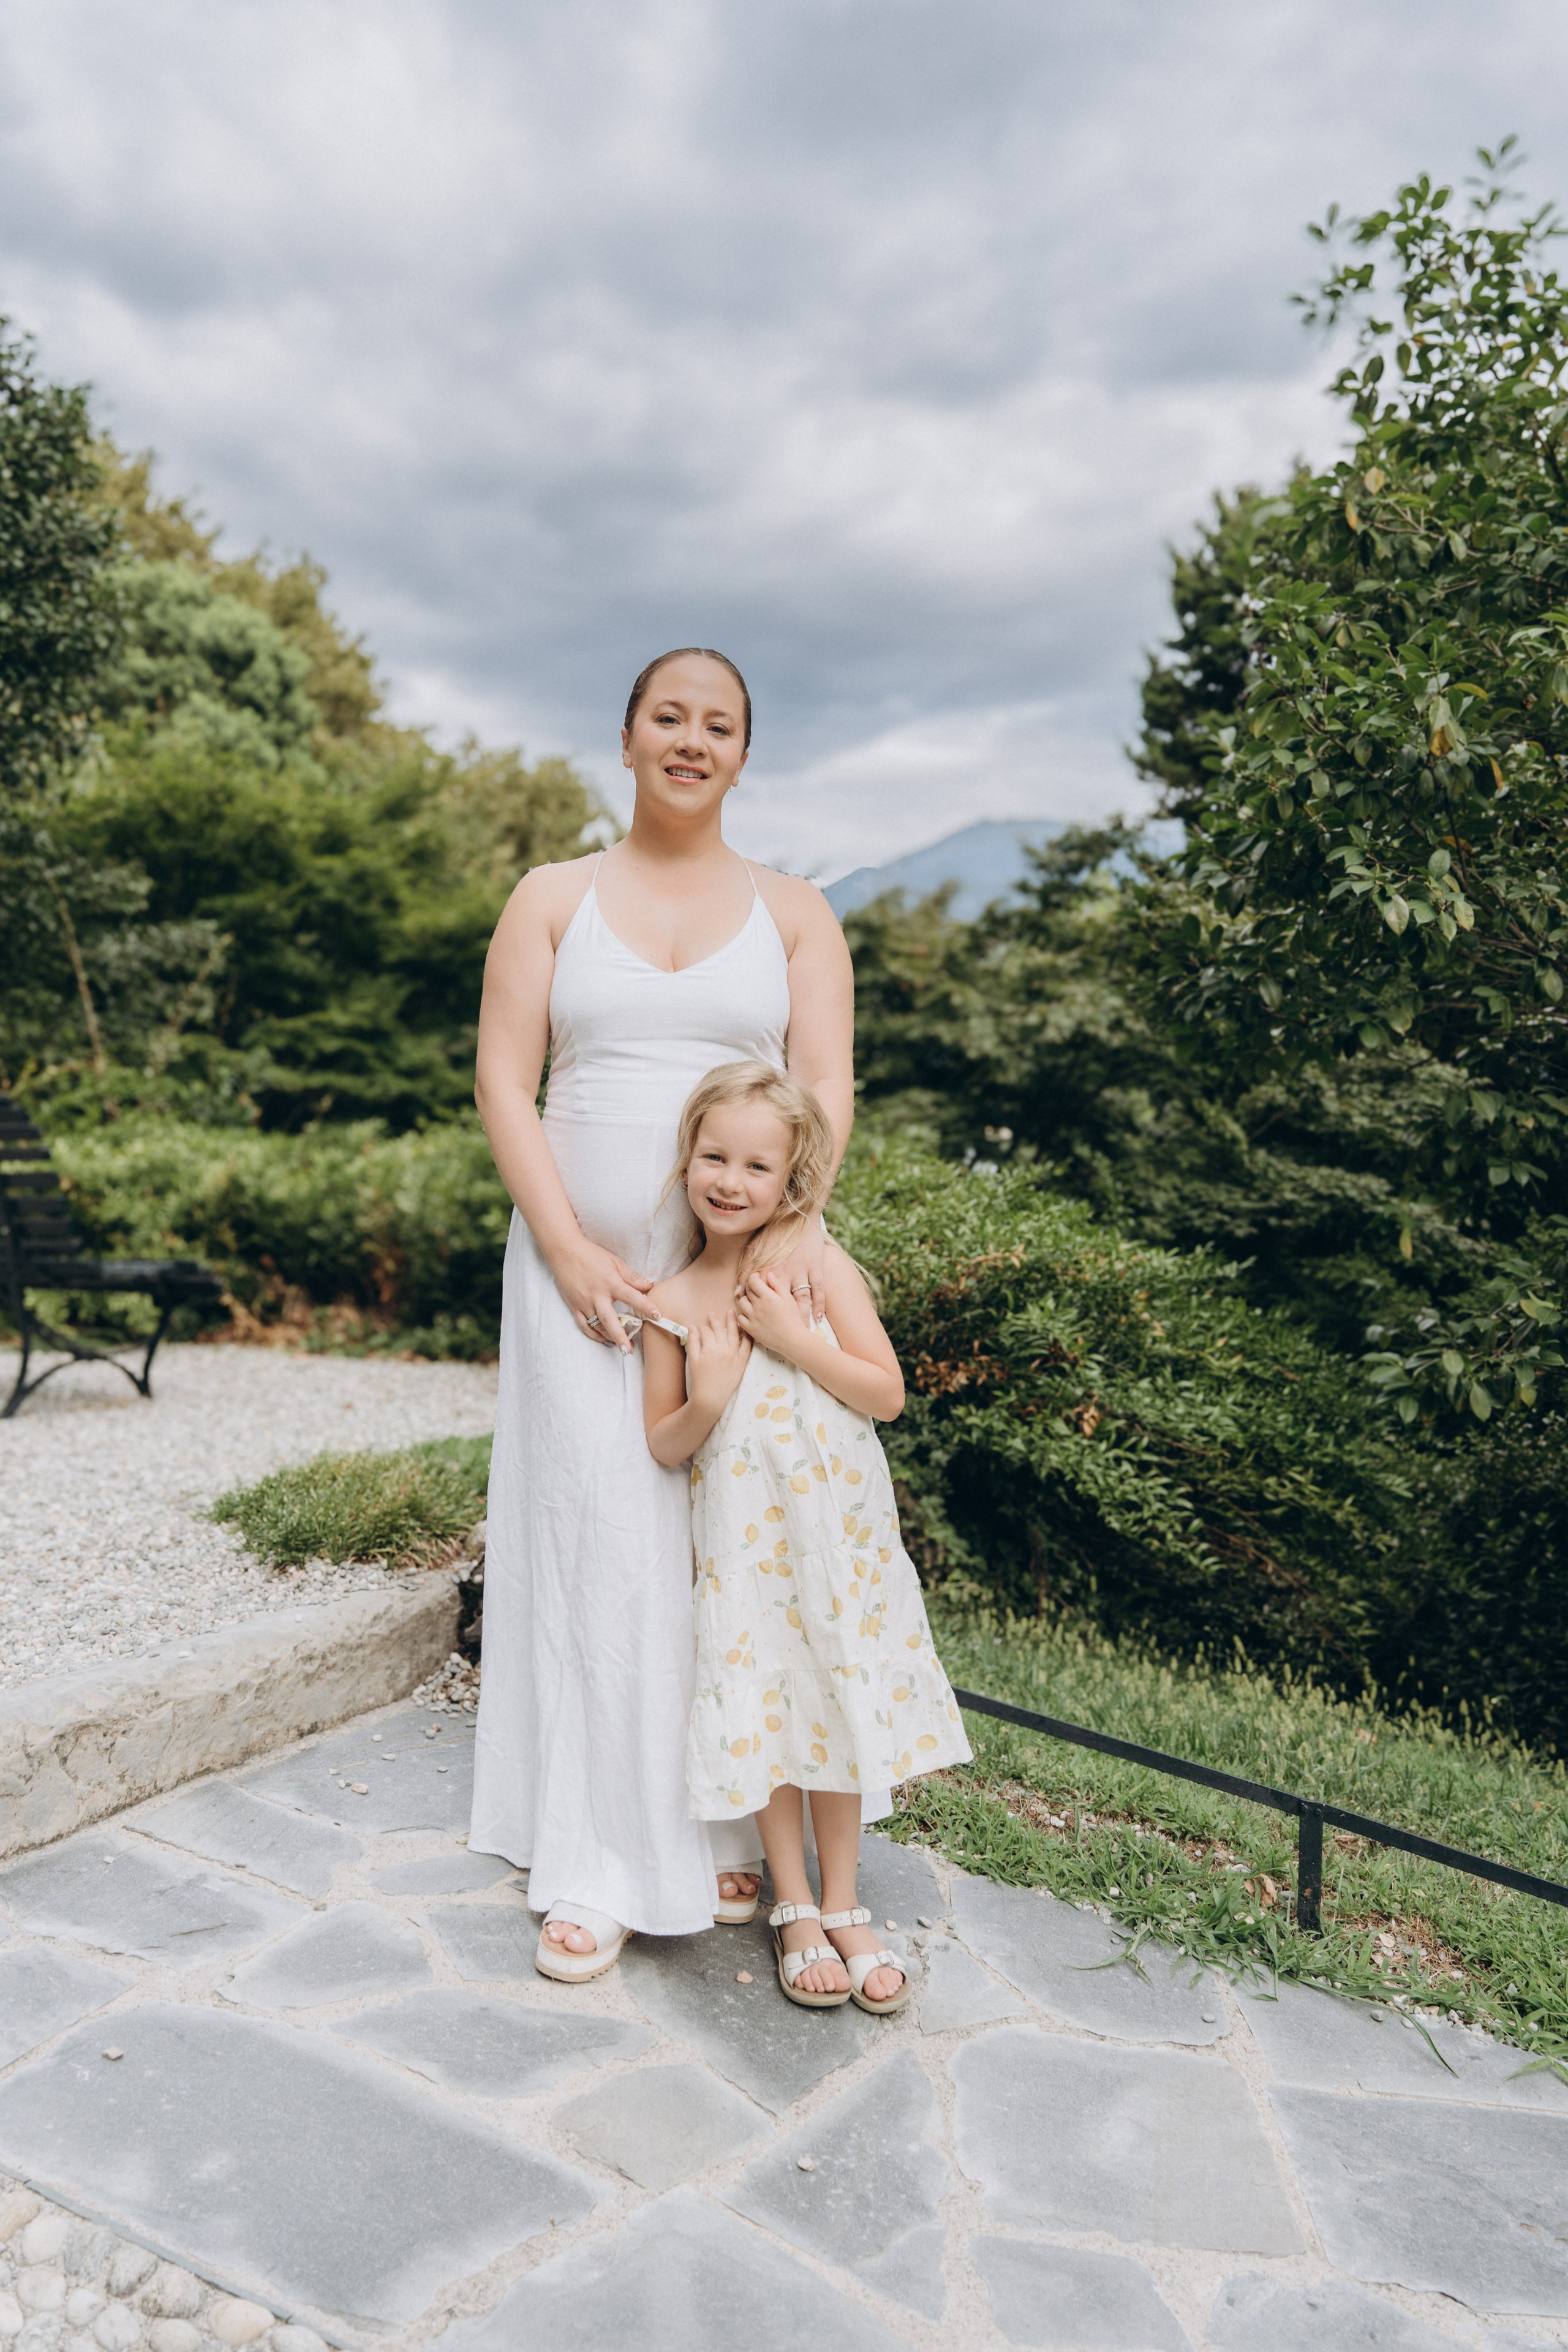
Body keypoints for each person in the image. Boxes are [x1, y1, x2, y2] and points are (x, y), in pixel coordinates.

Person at [469, 649, 854, 1981]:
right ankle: (589, 1855)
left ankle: (709, 1819)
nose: (691, 739)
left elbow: (826, 1084)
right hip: (579, 1277)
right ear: (625, 737)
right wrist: (567, 1246)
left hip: (729, 1272)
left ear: (745, 754)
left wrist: (786, 1244)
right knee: (595, 1544)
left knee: (720, 1549)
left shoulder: (796, 911)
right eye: (667, 717)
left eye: (719, 724)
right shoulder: (550, 895)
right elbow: (505, 1085)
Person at [641, 1060, 973, 2011]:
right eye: (714, 1157)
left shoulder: (810, 1265)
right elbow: (665, 1445)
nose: (730, 1181)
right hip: (746, 1555)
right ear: (687, 1160)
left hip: (838, 1545)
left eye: (755, 1166)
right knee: (772, 1707)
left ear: (790, 1181)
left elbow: (887, 1391)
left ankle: (844, 1899)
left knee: (835, 1698)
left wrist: (794, 1341)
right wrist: (708, 1398)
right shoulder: (671, 1301)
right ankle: (791, 1904)